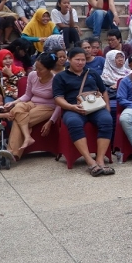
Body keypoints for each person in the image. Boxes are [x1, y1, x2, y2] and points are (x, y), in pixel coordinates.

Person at [52, 47, 115, 176]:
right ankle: (89, 161)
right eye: (77, 60)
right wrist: (71, 107)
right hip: (73, 109)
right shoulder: (60, 77)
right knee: (74, 122)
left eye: (83, 59)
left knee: (107, 120)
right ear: (69, 60)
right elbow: (58, 98)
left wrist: (107, 107)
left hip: (95, 108)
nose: (81, 62)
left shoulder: (92, 73)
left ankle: (100, 159)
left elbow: (103, 90)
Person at [6, 52, 62, 160]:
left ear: (49, 69)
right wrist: (13, 102)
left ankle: (12, 153)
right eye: (36, 68)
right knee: (17, 108)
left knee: (18, 119)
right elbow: (27, 95)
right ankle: (27, 137)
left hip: (47, 107)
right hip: (32, 103)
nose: (37, 71)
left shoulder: (56, 80)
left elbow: (59, 104)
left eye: (41, 69)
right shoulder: (32, 75)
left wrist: (51, 121)